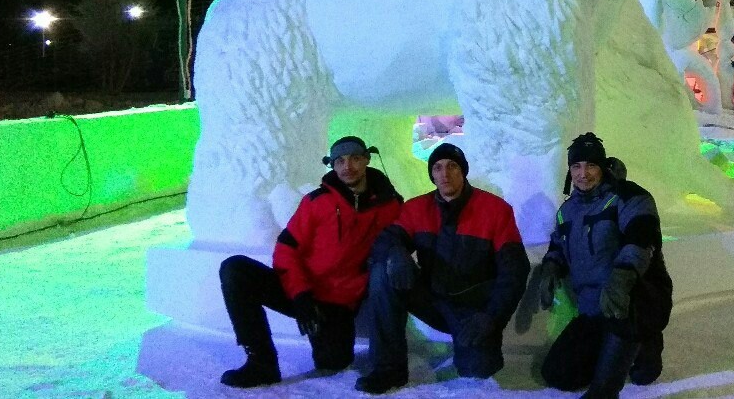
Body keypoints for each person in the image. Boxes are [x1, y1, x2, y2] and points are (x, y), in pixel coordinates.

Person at [217, 136, 403, 388]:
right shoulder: (317, 202)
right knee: (235, 269)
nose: (347, 166)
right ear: (333, 166)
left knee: (333, 362)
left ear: (367, 160)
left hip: (337, 304)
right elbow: (286, 249)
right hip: (301, 291)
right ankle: (261, 363)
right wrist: (300, 294)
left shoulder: (389, 206)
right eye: (340, 161)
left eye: (355, 159)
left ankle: (322, 332)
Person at [355, 143, 530, 394]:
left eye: (452, 166)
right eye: (437, 168)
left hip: (472, 309)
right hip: (432, 299)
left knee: (478, 368)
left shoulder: (495, 210)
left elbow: (515, 270)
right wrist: (396, 252)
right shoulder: (417, 208)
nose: (445, 174)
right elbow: (386, 239)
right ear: (432, 175)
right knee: (383, 271)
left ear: (463, 172)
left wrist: (492, 317)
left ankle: (476, 348)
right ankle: (387, 368)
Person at [530, 133, 673, 399]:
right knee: (558, 373)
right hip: (595, 309)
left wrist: (621, 277)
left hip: (634, 299)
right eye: (576, 166)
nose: (583, 174)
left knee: (641, 369)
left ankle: (618, 374)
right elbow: (559, 245)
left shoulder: (628, 195)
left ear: (603, 167)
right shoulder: (568, 210)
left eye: (591, 165)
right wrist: (551, 267)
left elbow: (641, 237)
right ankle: (614, 350)